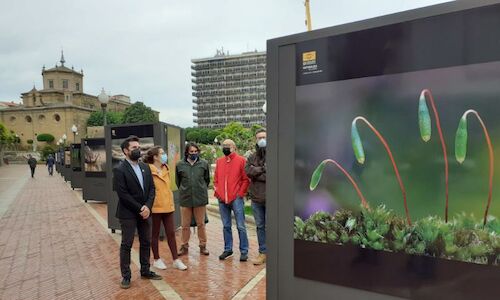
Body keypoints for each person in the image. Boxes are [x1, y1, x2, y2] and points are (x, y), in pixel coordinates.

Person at [112, 135, 162, 289]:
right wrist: (140, 208)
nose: (138, 150)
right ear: (126, 151)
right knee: (127, 244)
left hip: (145, 211)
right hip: (128, 213)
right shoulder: (119, 169)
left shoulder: (145, 167)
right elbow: (123, 194)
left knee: (146, 241)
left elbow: (152, 189)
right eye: (134, 148)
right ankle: (126, 276)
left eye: (138, 147)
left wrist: (147, 206)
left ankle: (145, 270)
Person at [145, 146, 188, 271]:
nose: (164, 155)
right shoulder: (148, 170)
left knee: (171, 233)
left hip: (168, 206)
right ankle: (157, 259)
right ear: (155, 157)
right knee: (155, 234)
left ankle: (175, 260)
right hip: (156, 207)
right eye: (162, 153)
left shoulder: (166, 168)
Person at [214, 139, 250, 261]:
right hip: (222, 199)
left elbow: (246, 179)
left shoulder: (241, 160)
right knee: (226, 226)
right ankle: (228, 249)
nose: (225, 147)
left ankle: (244, 251)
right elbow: (216, 179)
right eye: (224, 145)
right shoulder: (219, 161)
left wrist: (240, 194)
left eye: (228, 145)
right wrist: (218, 192)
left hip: (236, 198)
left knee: (241, 226)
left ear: (234, 147)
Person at [175, 142, 211, 256]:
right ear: (187, 152)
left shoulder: (204, 164)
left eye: (196, 151)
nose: (194, 153)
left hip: (200, 199)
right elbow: (178, 181)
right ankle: (184, 246)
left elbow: (207, 180)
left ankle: (203, 246)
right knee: (185, 225)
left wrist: (200, 189)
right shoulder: (180, 164)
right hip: (185, 199)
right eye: (191, 152)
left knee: (201, 224)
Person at [245, 129, 267, 265]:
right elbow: (248, 171)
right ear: (256, 140)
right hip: (256, 198)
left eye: (264, 137)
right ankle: (263, 252)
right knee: (259, 226)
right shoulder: (252, 157)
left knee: (272, 227)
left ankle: (275, 252)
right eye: (259, 137)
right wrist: (263, 169)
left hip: (271, 198)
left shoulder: (274, 154)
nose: (262, 140)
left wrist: (256, 172)